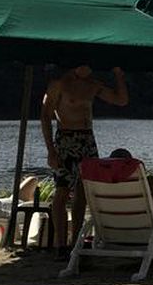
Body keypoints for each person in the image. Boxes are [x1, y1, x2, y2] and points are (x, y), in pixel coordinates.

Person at [41, 65, 129, 250]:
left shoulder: (93, 85)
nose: (87, 69)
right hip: (66, 139)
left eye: (91, 65)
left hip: (87, 140)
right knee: (62, 189)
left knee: (82, 192)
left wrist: (119, 75)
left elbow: (121, 100)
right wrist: (51, 150)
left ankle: (75, 243)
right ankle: (61, 243)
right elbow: (45, 116)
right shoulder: (59, 84)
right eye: (83, 65)